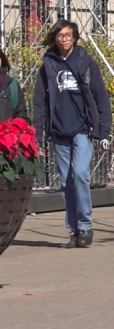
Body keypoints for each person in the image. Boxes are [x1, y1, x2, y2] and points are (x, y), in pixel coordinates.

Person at [34, 20, 112, 249]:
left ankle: (86, 225)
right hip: (59, 131)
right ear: (55, 38)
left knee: (80, 174)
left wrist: (104, 131)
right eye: (60, 36)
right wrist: (38, 134)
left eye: (68, 35)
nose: (64, 39)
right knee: (67, 182)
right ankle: (74, 229)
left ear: (75, 37)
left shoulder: (86, 63)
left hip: (83, 129)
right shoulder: (48, 64)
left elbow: (101, 100)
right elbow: (40, 102)